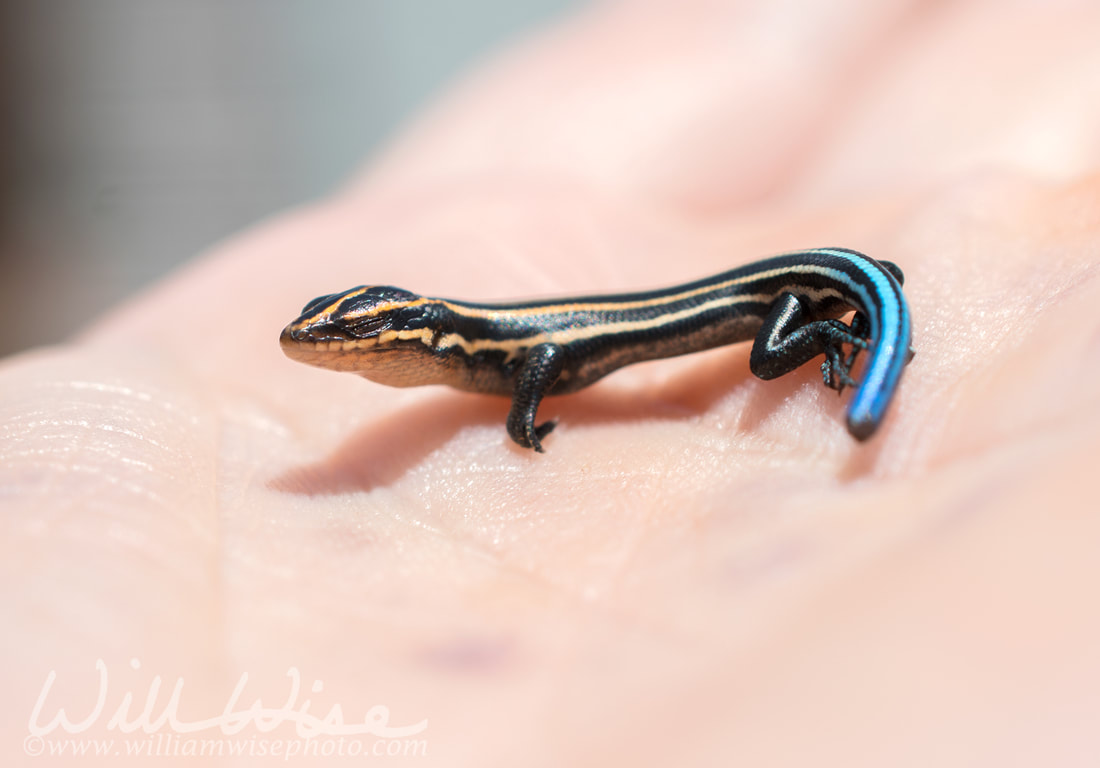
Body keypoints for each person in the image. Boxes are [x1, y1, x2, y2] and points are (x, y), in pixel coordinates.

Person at [6, 1, 1100, 763]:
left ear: (405, 332)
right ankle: (850, 314)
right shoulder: (466, 344)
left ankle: (835, 345)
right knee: (822, 303)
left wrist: (526, 422)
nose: (336, 348)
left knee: (772, 355)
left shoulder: (490, 349)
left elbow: (542, 366)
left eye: (348, 336)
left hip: (756, 303)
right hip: (778, 282)